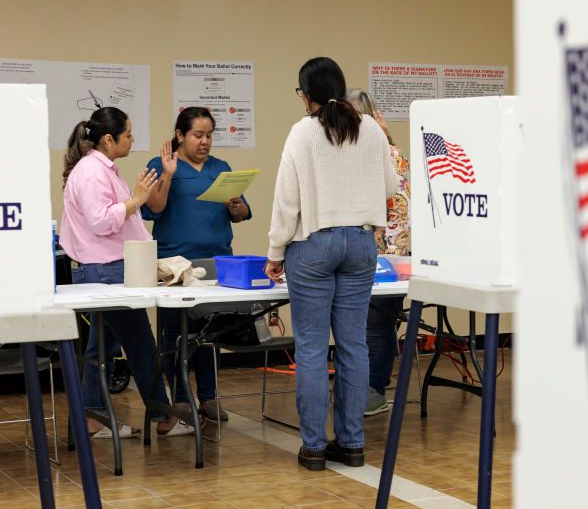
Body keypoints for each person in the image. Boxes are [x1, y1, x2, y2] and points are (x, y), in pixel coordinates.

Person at [265, 57, 399, 471]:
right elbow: (392, 186)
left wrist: (274, 252)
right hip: (361, 242)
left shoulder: (303, 132)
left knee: (310, 346)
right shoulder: (372, 129)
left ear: (306, 95)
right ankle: (352, 443)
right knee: (354, 344)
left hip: (314, 244)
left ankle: (314, 448)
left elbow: (287, 199)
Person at [59, 106, 192, 438]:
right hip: (106, 271)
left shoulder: (102, 169)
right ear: (108, 139)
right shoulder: (91, 172)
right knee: (140, 343)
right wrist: (136, 199)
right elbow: (102, 221)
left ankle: (91, 417)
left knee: (101, 348)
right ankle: (164, 415)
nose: (133, 139)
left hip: (111, 268)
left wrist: (135, 200)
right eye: (128, 134)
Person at [142, 107, 252, 426]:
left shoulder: (222, 168)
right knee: (173, 334)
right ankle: (178, 399)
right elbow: (153, 209)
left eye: (209, 136)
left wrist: (238, 207)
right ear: (180, 136)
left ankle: (209, 397)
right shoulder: (161, 165)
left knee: (209, 331)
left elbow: (241, 214)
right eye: (197, 135)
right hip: (174, 264)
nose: (204, 142)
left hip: (216, 262)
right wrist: (167, 173)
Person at [346, 89, 412, 417]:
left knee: (376, 323)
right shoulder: (354, 155)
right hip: (362, 252)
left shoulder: (387, 154)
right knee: (362, 324)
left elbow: (399, 214)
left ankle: (373, 390)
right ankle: (362, 385)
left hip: (387, 256)